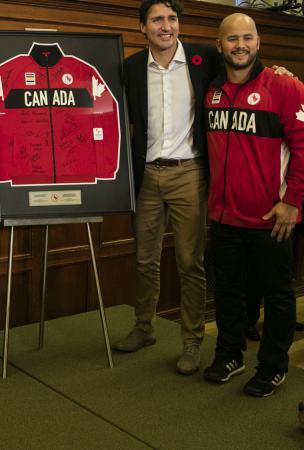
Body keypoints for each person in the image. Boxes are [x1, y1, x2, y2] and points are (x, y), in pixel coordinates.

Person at [202, 13, 304, 397]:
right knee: (228, 292)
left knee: (278, 295)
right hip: (224, 216)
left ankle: (273, 366)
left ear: (258, 42)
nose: (240, 45)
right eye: (232, 38)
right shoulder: (210, 88)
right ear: (219, 45)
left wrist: (293, 202)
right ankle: (230, 354)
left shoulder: (285, 86)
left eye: (247, 37)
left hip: (274, 218)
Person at [115, 0, 221, 376]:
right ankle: (144, 328)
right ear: (142, 27)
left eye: (172, 18)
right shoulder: (128, 68)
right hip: (146, 176)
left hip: (189, 174)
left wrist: (278, 70)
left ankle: (192, 341)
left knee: (190, 262)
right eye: (157, 19)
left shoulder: (204, 58)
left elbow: (246, 71)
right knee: (145, 260)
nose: (166, 26)